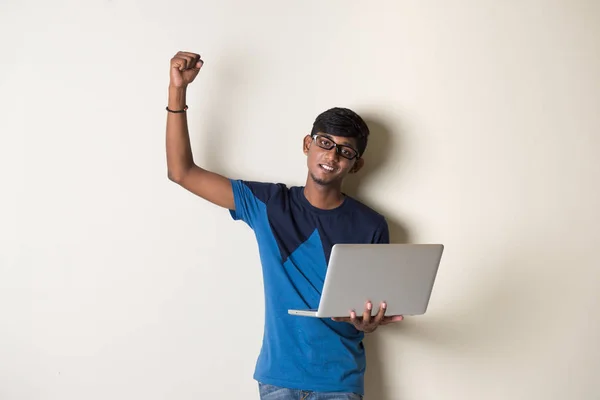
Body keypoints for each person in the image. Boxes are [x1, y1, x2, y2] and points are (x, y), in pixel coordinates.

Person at [165, 51, 404, 400]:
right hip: (278, 380)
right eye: (325, 143)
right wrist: (177, 92)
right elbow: (181, 172)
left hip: (339, 382)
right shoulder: (267, 204)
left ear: (356, 165)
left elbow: (367, 311)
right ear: (308, 145)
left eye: (345, 151)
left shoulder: (371, 225)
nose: (332, 156)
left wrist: (364, 323)